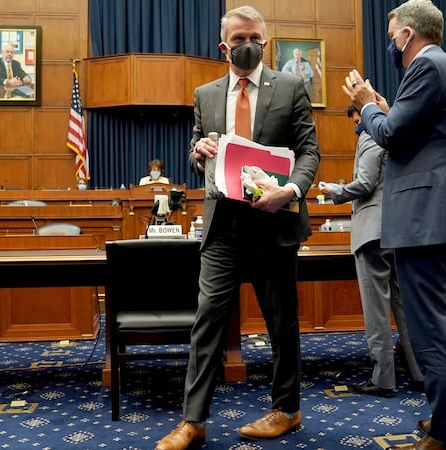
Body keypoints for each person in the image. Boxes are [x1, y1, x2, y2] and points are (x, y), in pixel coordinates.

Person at [154, 5, 319, 450]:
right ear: (223, 46)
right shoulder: (205, 94)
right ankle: (194, 421)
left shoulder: (291, 86)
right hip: (222, 224)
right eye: (240, 39)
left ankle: (287, 409)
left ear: (265, 42)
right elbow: (196, 150)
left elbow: (309, 152)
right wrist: (198, 149)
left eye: (256, 39)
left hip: (274, 223)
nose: (249, 46)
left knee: (281, 323)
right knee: (207, 322)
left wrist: (293, 190)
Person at [342, 1, 446, 449]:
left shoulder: (426, 66)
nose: (391, 44)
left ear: (407, 33)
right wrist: (384, 106)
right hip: (437, 213)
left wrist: (367, 107)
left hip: (425, 216)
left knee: (429, 329)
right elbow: (415, 133)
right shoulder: (442, 67)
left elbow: (389, 136)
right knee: (445, 322)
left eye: (392, 34)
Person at [319, 104, 424, 397]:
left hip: (372, 234)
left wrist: (334, 192)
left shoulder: (370, 135)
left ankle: (383, 379)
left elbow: (364, 184)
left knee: (376, 309)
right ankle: (422, 372)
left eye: (355, 119)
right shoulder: (399, 133)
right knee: (406, 308)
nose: (355, 126)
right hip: (399, 229)